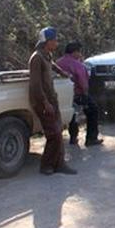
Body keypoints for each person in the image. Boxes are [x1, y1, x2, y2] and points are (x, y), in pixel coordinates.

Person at [28, 27, 77, 175]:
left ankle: (60, 164)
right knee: (53, 134)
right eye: (54, 40)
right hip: (43, 102)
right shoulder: (36, 58)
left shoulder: (46, 55)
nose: (57, 43)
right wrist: (45, 103)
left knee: (58, 132)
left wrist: (62, 72)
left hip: (51, 99)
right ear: (47, 42)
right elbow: (35, 85)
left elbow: (52, 65)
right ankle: (46, 165)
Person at [56, 42, 103, 147]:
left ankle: (73, 137)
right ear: (75, 52)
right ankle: (91, 138)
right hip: (77, 94)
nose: (80, 54)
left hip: (62, 94)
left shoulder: (58, 63)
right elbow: (83, 83)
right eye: (79, 52)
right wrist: (85, 95)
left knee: (72, 114)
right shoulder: (78, 65)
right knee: (93, 110)